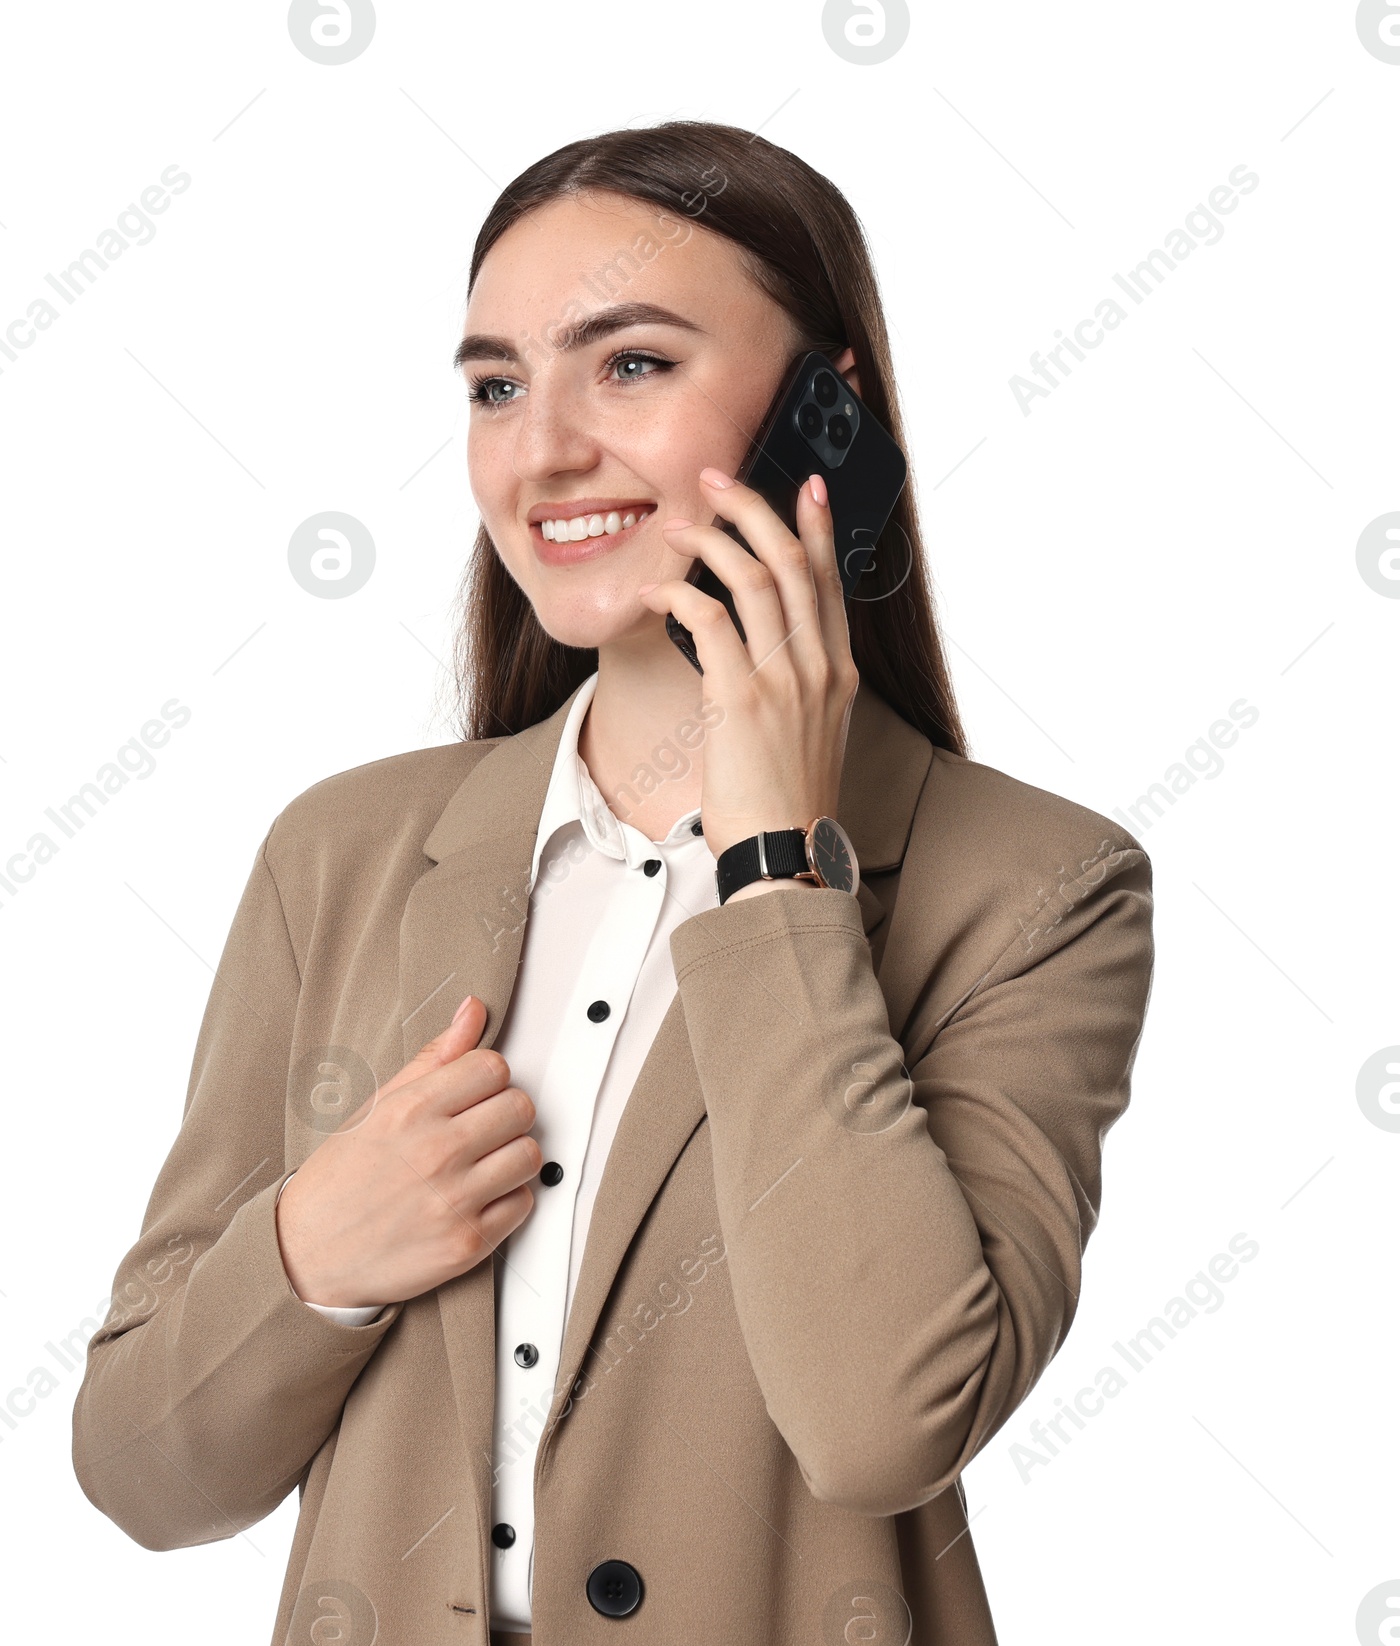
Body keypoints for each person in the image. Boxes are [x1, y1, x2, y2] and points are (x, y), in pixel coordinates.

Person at [71, 120, 1155, 1646]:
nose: (543, 448)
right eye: (497, 384)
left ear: (822, 416)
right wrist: (315, 1253)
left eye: (630, 364)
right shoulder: (343, 853)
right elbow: (138, 1472)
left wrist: (777, 866)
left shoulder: (1042, 888)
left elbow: (884, 1420)